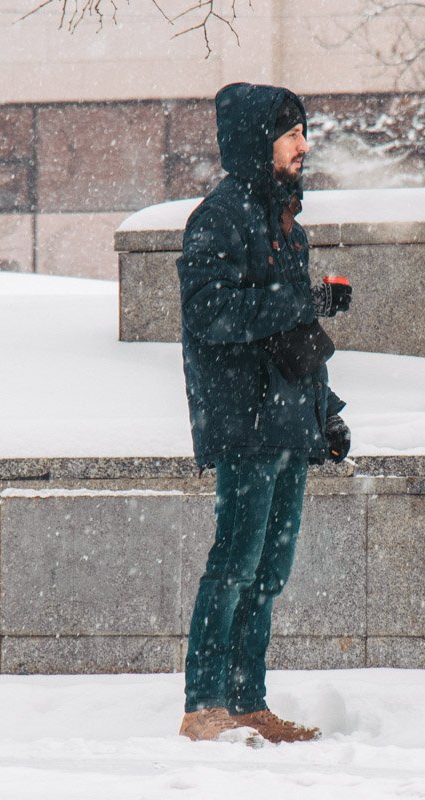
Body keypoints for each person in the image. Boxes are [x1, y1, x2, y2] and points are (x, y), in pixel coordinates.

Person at [175, 82, 352, 744]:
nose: (304, 147)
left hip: (285, 422)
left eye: (304, 134)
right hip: (245, 422)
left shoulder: (286, 227)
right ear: (259, 142)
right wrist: (297, 300)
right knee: (235, 563)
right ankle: (204, 704)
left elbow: (296, 338)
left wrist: (325, 414)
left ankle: (249, 704)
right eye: (292, 135)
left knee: (269, 573)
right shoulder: (218, 220)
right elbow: (210, 315)